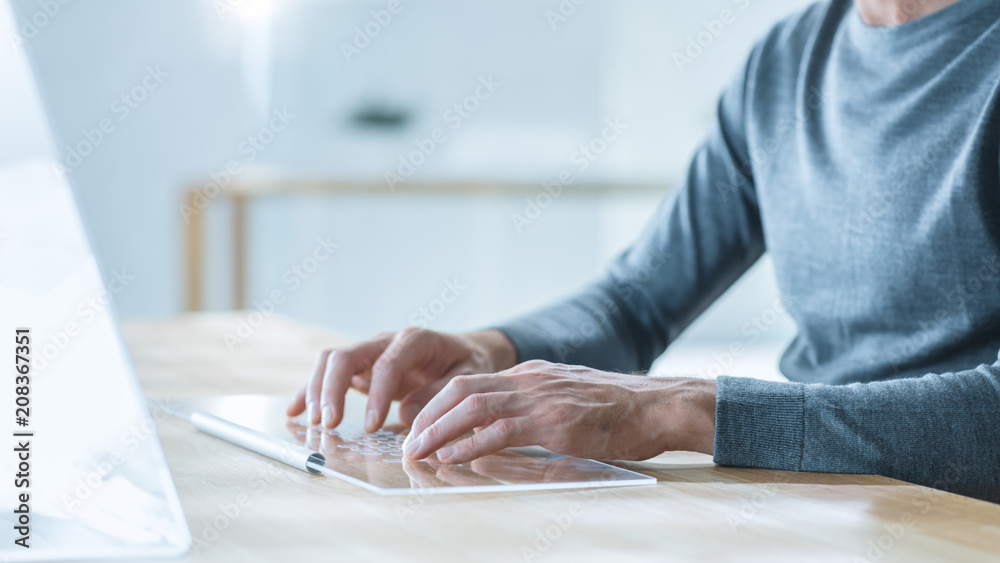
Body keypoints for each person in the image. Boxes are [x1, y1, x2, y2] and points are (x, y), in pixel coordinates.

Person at [289, 0, 1000, 502]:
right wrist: (490, 348)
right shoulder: (787, 61)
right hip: (827, 506)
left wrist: (679, 409)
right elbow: (638, 300)